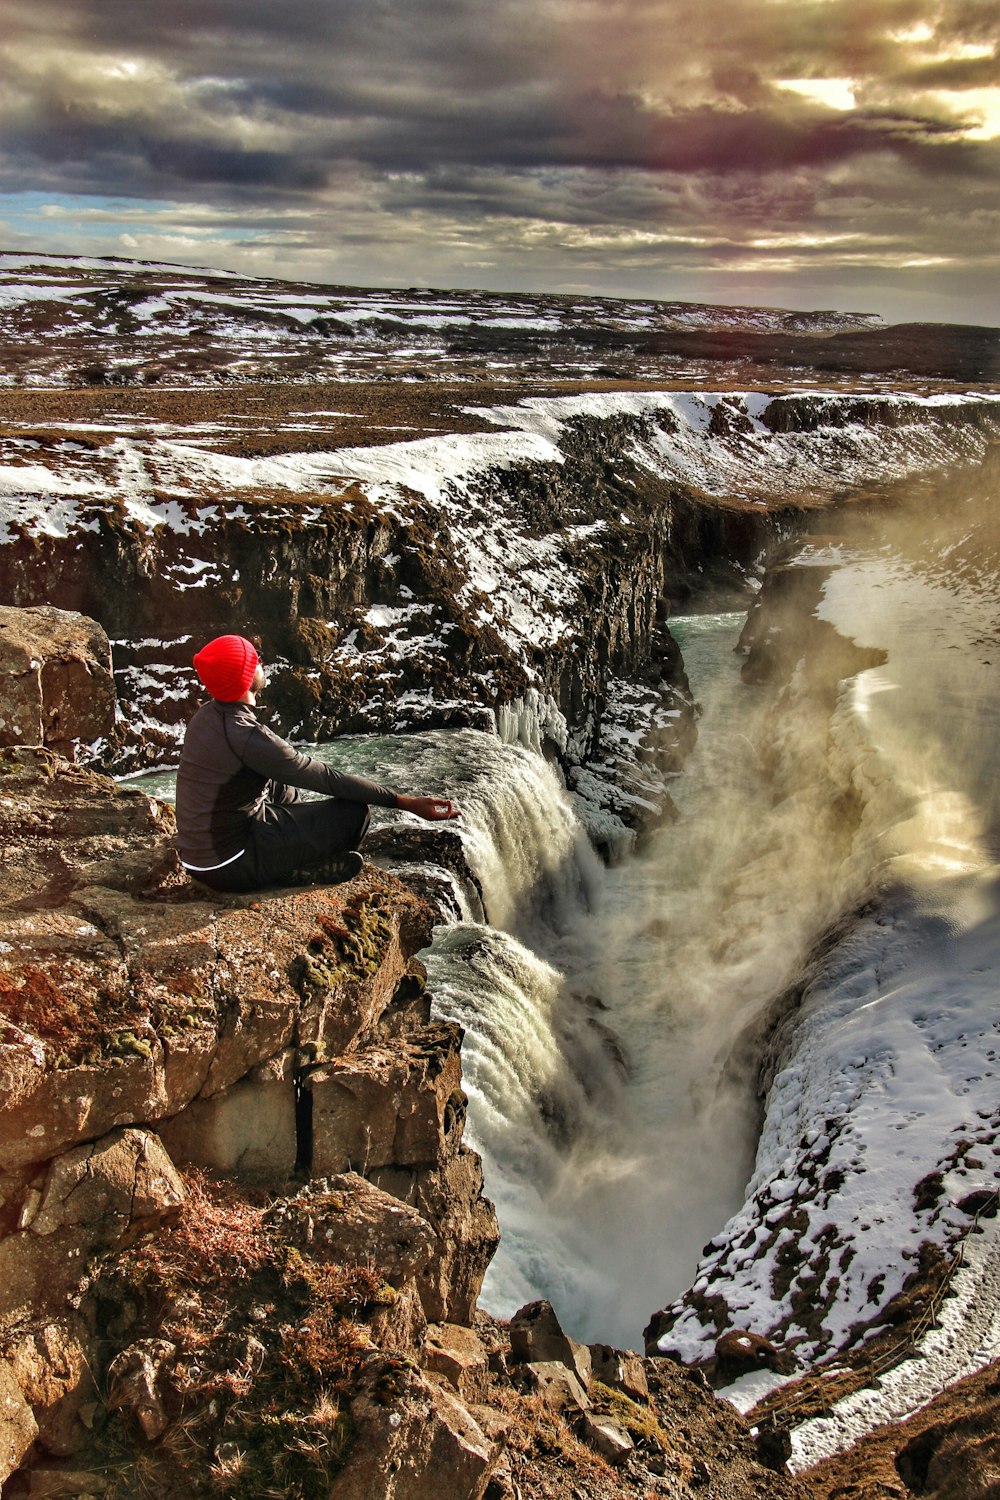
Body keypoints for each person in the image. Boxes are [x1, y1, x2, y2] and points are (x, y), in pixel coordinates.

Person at [175, 634, 460, 892]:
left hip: (199, 857)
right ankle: (295, 867)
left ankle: (295, 857)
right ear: (245, 677)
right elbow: (326, 778)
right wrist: (404, 802)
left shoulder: (206, 717)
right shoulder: (246, 735)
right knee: (354, 814)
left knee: (276, 782)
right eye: (255, 661)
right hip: (231, 866)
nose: (261, 663)